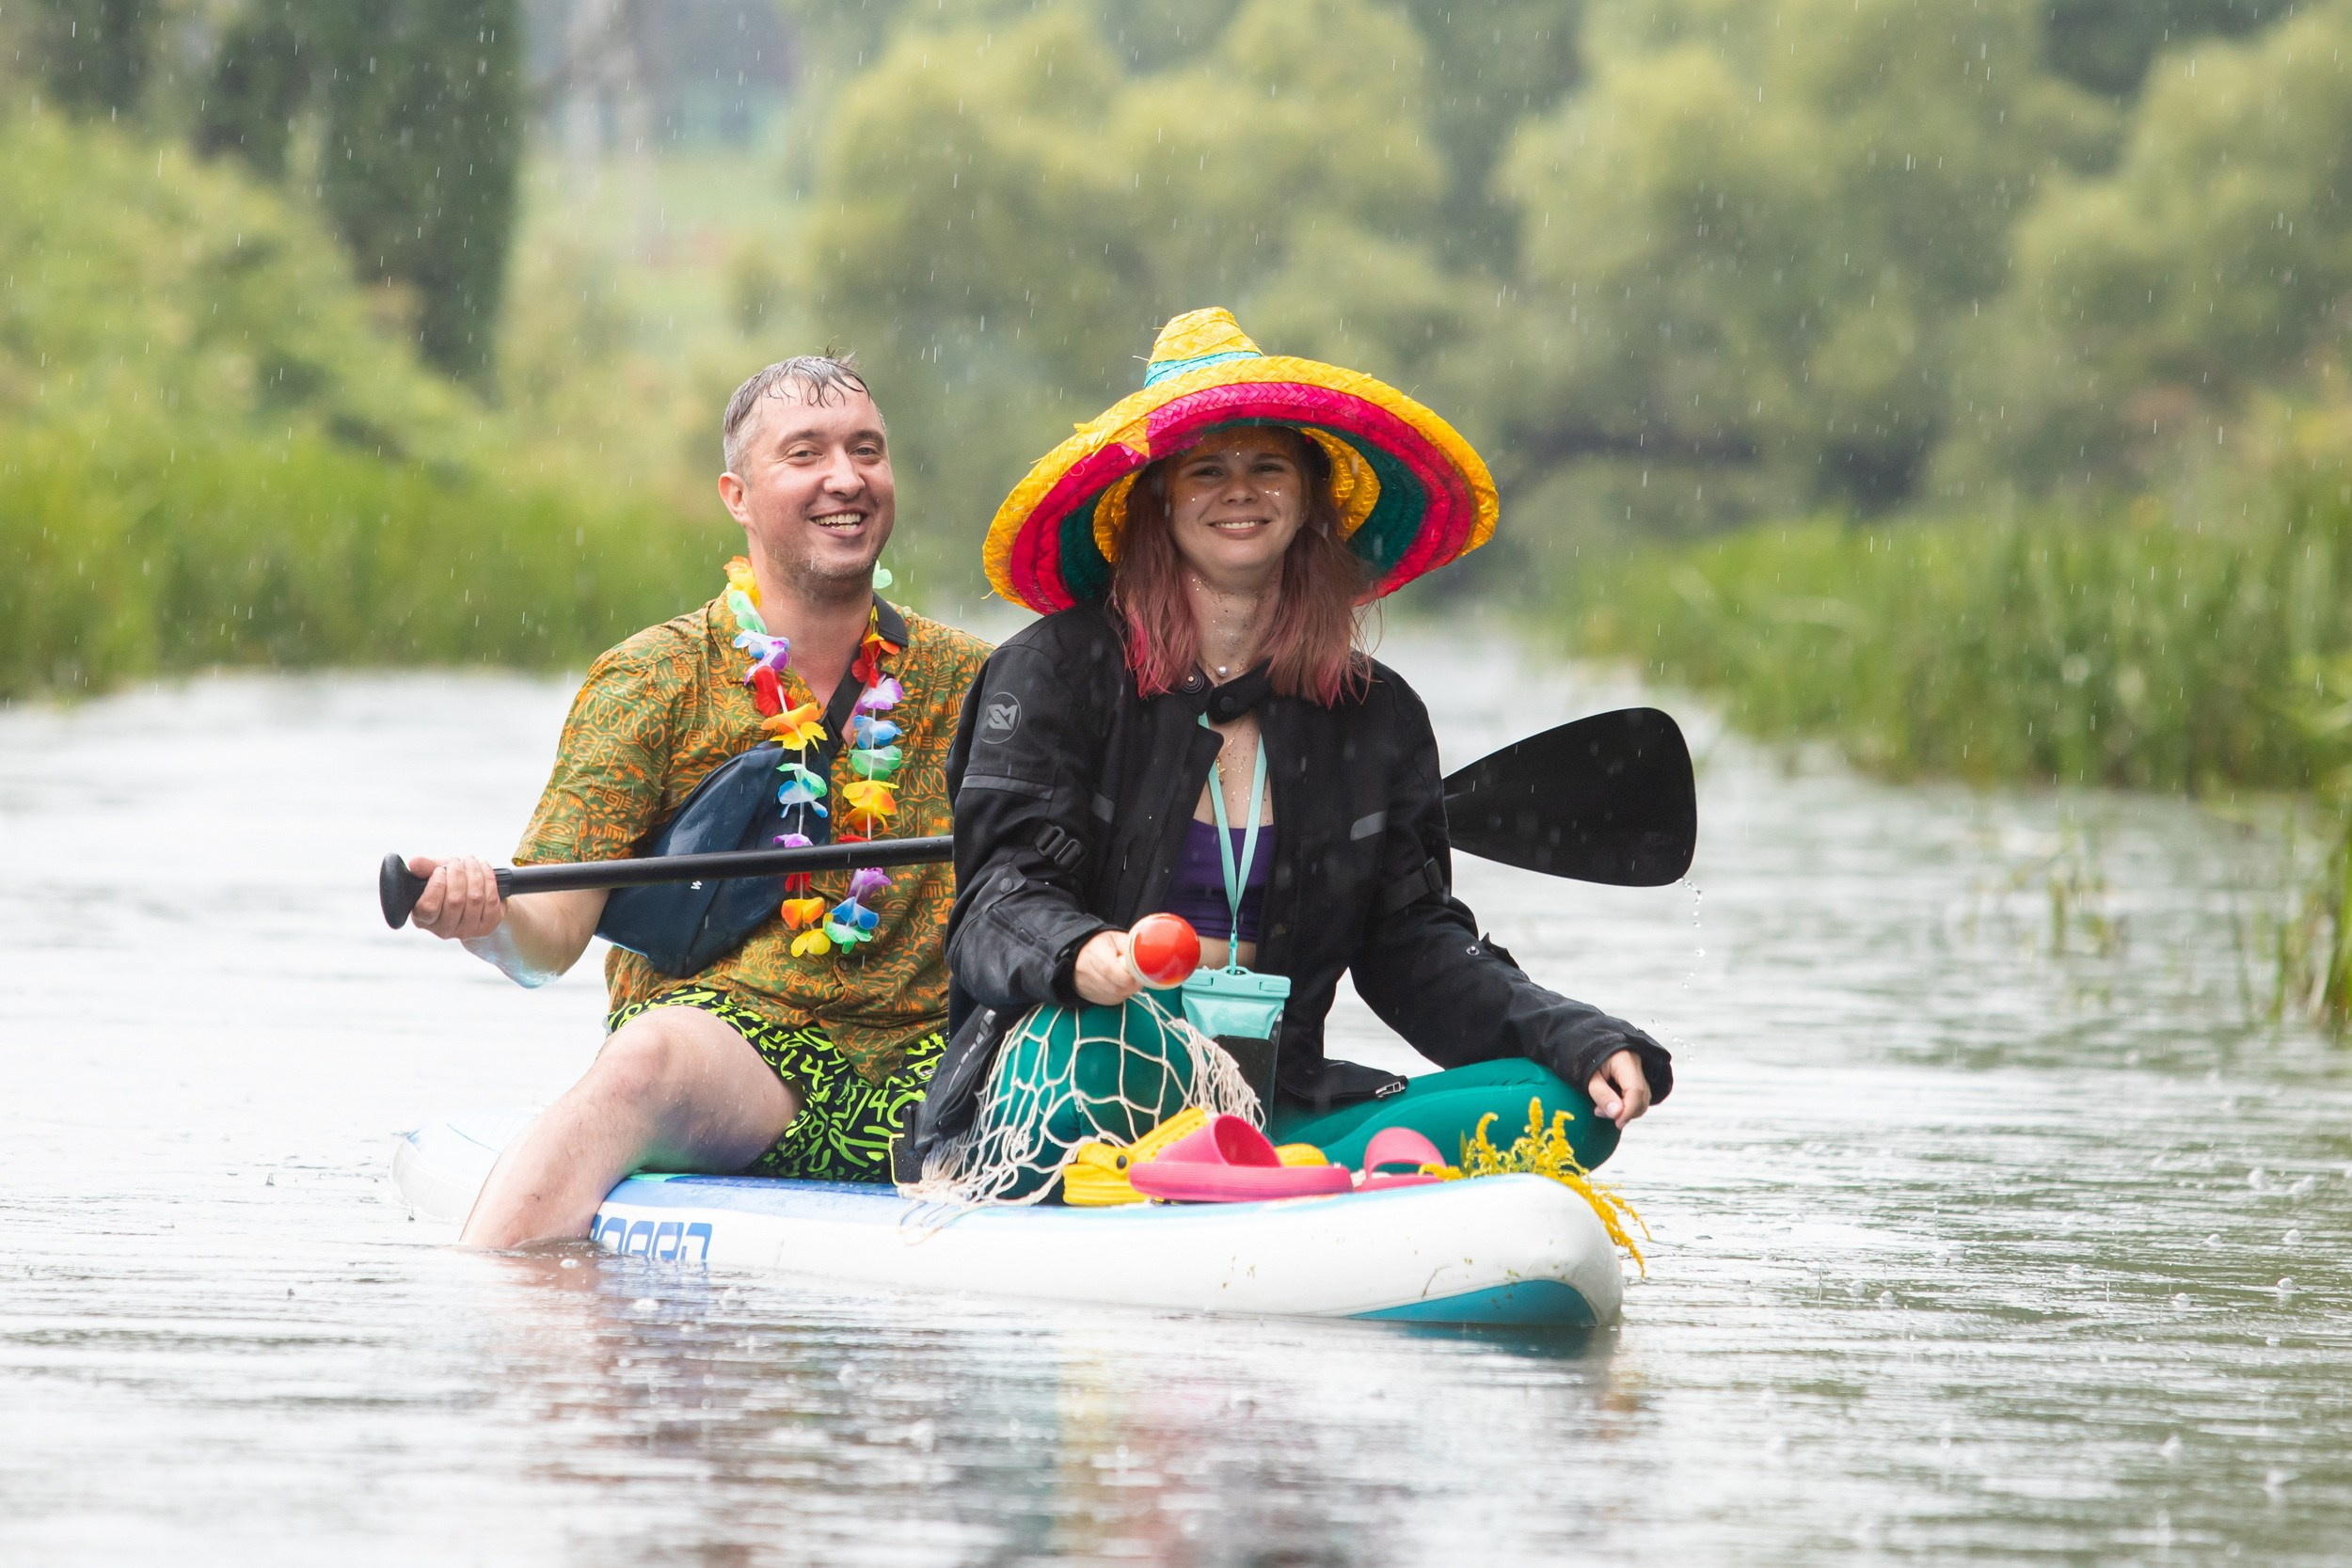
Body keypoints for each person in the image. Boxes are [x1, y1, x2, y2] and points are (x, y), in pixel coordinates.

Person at [928, 309, 1673, 1202]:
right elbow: (995, 901)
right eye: (1206, 470)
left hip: (1271, 1098)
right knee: (1095, 1045)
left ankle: (1274, 1172)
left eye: (1266, 466)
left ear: (1309, 495)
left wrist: (1576, 1035)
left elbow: (1416, 950)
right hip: (1084, 1064)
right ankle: (1291, 1180)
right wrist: (1086, 952)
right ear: (1157, 500)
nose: (1238, 491)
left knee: (1562, 1111)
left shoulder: (1380, 714)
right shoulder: (1048, 672)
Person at [402, 355, 988, 1246]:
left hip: (942, 1070)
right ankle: (506, 1326)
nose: (846, 478)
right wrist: (483, 917)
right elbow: (550, 933)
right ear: (738, 494)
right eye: (806, 453)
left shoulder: (981, 680)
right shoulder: (652, 678)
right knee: (648, 1059)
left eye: (867, 450)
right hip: (733, 1066)